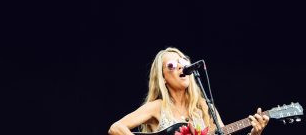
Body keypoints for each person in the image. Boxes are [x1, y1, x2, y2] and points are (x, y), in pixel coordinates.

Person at [108, 47, 270, 135]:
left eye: (182, 61)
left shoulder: (205, 107)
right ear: (162, 78)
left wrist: (255, 134)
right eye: (171, 65)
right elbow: (116, 128)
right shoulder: (158, 106)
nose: (180, 66)